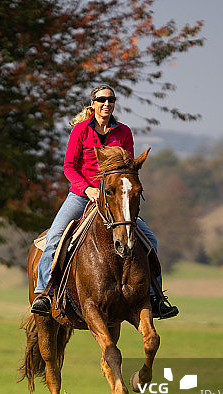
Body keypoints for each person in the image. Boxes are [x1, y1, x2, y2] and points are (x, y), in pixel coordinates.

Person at [30, 84, 178, 319]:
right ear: (93, 104)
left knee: (149, 239)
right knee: (56, 235)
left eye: (111, 100)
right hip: (81, 195)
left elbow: (128, 168)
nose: (106, 103)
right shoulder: (80, 131)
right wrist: (87, 189)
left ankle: (156, 297)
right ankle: (43, 294)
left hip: (115, 200)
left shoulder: (124, 132)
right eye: (101, 100)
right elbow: (68, 167)